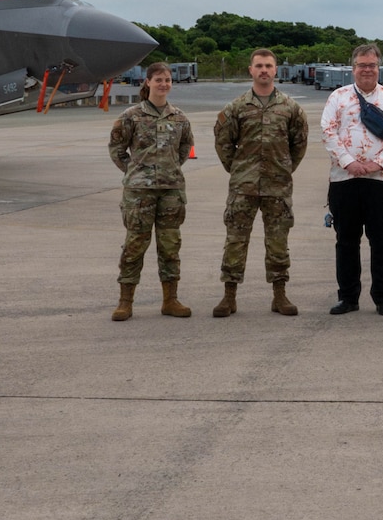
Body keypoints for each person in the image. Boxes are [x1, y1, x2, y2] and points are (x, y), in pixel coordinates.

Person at [212, 47, 309, 318]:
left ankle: (279, 296)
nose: (264, 70)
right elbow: (223, 142)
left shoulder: (291, 108)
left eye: (268, 65)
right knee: (235, 241)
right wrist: (238, 170)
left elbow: (299, 144)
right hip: (243, 187)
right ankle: (229, 297)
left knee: (278, 242)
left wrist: (284, 169)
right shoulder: (236, 108)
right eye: (259, 66)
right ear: (251, 71)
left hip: (277, 187)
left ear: (276, 70)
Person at [320, 42, 383, 315]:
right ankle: (348, 297)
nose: (367, 70)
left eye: (372, 65)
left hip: (381, 180)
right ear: (353, 68)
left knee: (381, 239)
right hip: (344, 179)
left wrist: (376, 163)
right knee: (346, 239)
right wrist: (349, 163)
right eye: (362, 65)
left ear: (378, 68)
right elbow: (328, 130)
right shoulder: (338, 97)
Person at [108, 60, 194, 320]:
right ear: (148, 82)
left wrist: (166, 170)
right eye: (158, 80)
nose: (163, 84)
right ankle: (125, 301)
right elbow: (116, 149)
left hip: (171, 191)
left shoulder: (179, 117)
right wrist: (136, 172)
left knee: (170, 246)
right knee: (135, 244)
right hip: (139, 193)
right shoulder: (131, 116)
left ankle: (171, 299)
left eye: (167, 80)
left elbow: (184, 150)